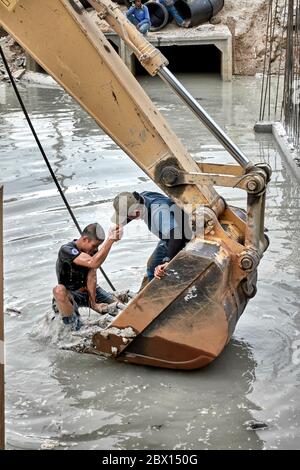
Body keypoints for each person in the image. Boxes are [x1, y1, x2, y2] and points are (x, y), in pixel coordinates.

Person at [52, 223, 123, 330]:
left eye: (98, 246)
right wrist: (110, 240)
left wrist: (93, 303)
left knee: (121, 308)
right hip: (69, 295)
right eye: (94, 245)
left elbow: (92, 276)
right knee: (58, 290)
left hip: (86, 290)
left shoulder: (93, 251)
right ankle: (72, 327)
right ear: (85, 239)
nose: (95, 249)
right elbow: (93, 262)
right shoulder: (66, 250)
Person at [111, 191, 191, 285]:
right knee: (152, 266)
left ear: (137, 213)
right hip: (171, 234)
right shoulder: (144, 197)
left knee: (159, 270)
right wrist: (119, 224)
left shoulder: (158, 214)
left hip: (180, 239)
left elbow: (176, 235)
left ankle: (157, 291)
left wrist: (168, 261)